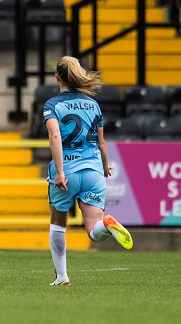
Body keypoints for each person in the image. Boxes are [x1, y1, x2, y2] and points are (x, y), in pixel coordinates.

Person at [43, 56, 133, 286]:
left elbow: (55, 137)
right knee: (94, 230)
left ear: (57, 77)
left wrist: (60, 172)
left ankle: (62, 277)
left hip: (68, 172)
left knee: (57, 224)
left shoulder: (53, 105)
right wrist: (104, 165)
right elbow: (102, 142)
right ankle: (108, 223)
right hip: (94, 171)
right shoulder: (93, 104)